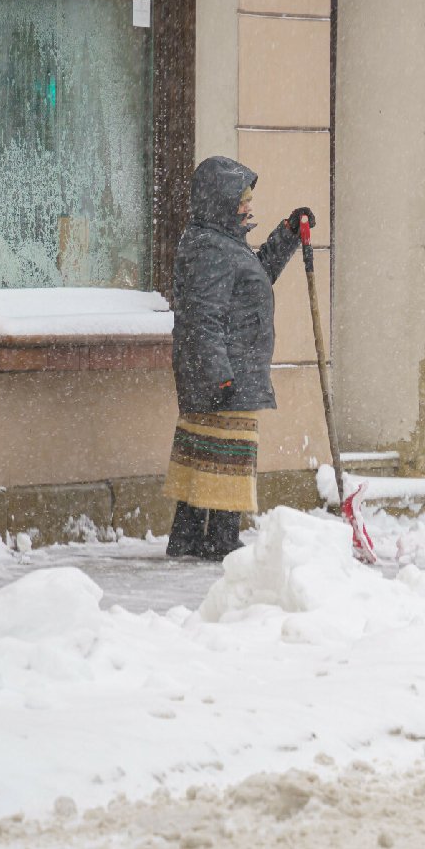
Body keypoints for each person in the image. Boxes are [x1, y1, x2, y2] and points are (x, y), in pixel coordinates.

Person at [163, 155, 315, 560]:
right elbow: (202, 318)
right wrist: (220, 378)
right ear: (220, 202)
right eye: (241, 200)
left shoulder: (221, 243)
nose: (247, 207)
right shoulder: (210, 248)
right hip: (226, 375)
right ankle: (221, 541)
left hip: (229, 371)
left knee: (205, 460)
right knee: (225, 462)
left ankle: (190, 538)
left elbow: (256, 274)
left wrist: (286, 235)